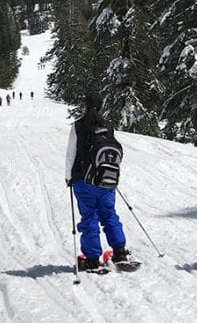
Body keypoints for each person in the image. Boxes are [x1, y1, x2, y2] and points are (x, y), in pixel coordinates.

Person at [66, 91, 129, 270]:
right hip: (106, 180)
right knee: (109, 214)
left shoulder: (78, 125)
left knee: (89, 217)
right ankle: (120, 251)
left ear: (85, 105)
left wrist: (68, 177)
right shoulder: (107, 126)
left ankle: (93, 258)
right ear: (102, 105)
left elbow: (71, 154)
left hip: (83, 180)